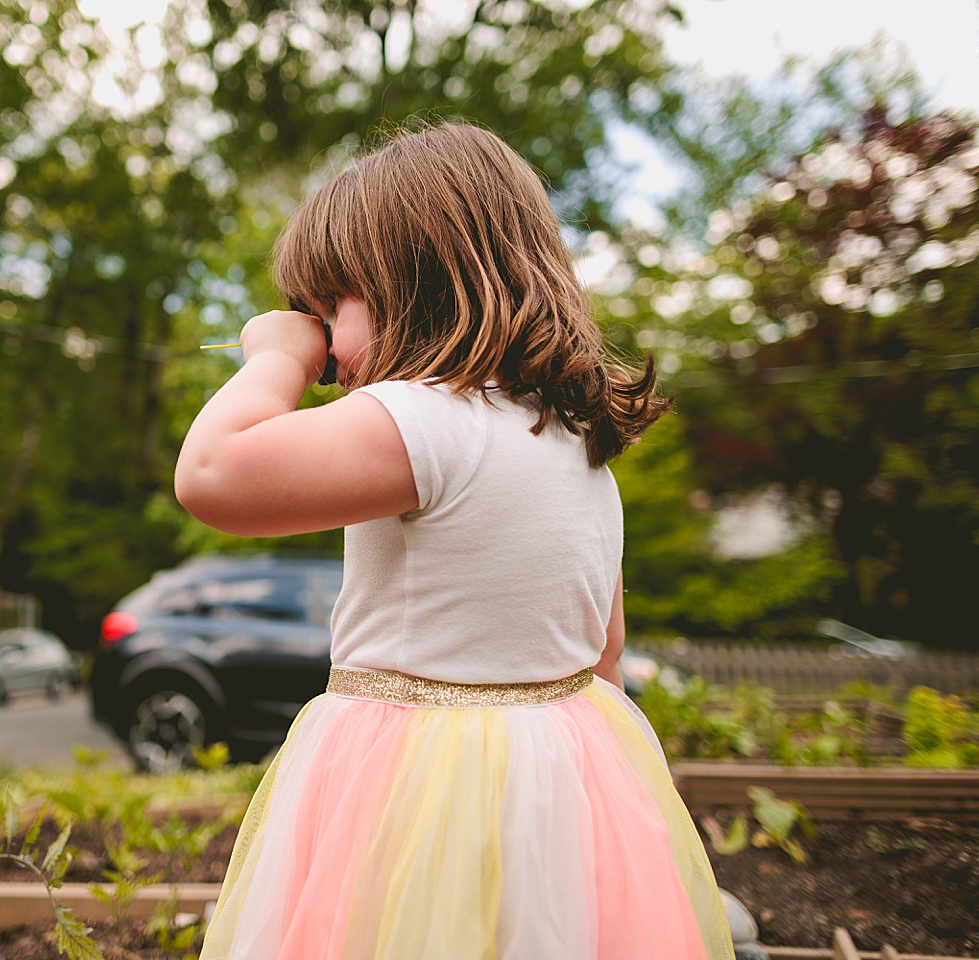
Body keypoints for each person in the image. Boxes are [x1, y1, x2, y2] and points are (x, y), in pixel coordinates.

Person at [174, 121, 734, 960]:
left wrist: (271, 358)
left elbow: (213, 474)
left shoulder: (422, 417)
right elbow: (602, 652)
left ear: (415, 287)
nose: (325, 345)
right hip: (566, 784)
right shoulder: (579, 445)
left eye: (333, 308)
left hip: (411, 792)